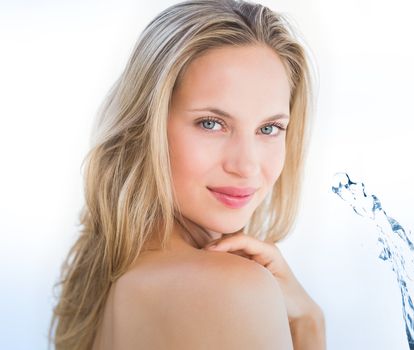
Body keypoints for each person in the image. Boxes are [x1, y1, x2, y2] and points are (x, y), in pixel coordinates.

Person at [49, 0, 325, 349]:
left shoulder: (116, 282)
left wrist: (307, 317)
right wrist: (310, 323)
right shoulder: (229, 288)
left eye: (269, 128)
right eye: (211, 124)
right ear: (145, 127)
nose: (247, 165)